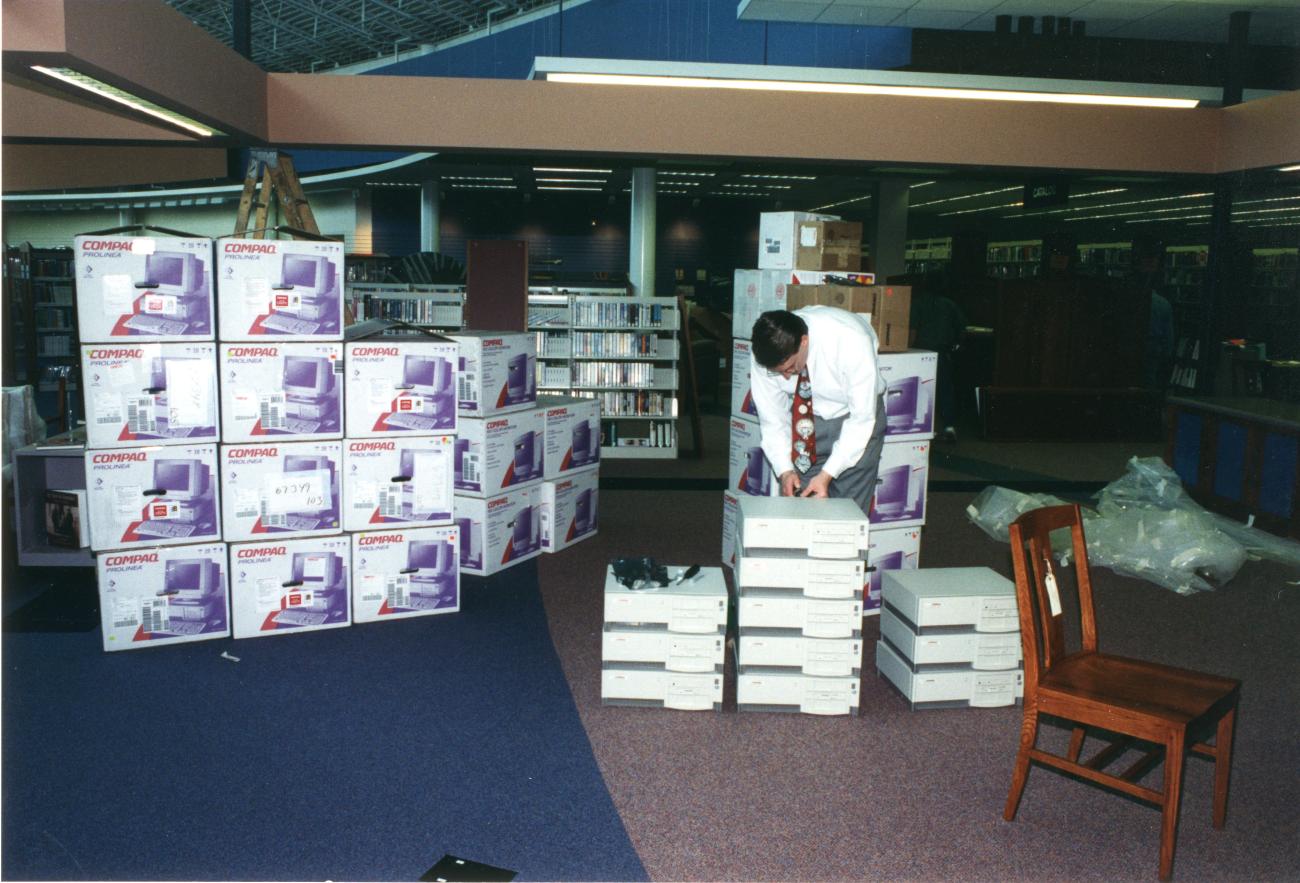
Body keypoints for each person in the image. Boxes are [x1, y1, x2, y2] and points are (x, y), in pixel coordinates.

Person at [748, 305, 887, 514]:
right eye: (778, 373)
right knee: (801, 511)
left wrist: (826, 475)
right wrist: (785, 470)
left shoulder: (851, 340)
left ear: (804, 341)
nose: (786, 377)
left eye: (790, 368)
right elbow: (773, 420)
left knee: (848, 515)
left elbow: (862, 418)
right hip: (806, 419)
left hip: (855, 417)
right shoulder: (764, 354)